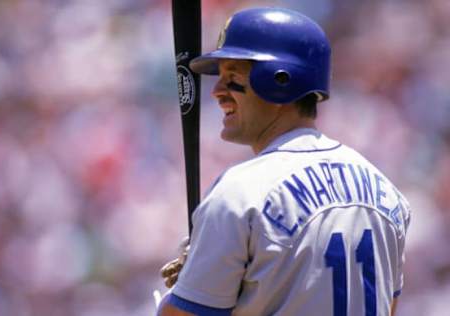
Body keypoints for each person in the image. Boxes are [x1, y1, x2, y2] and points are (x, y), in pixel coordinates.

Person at [158, 7, 411, 316]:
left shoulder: (239, 194)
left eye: (232, 78)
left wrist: (181, 292)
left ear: (279, 80)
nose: (217, 93)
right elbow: (389, 306)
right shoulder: (387, 193)